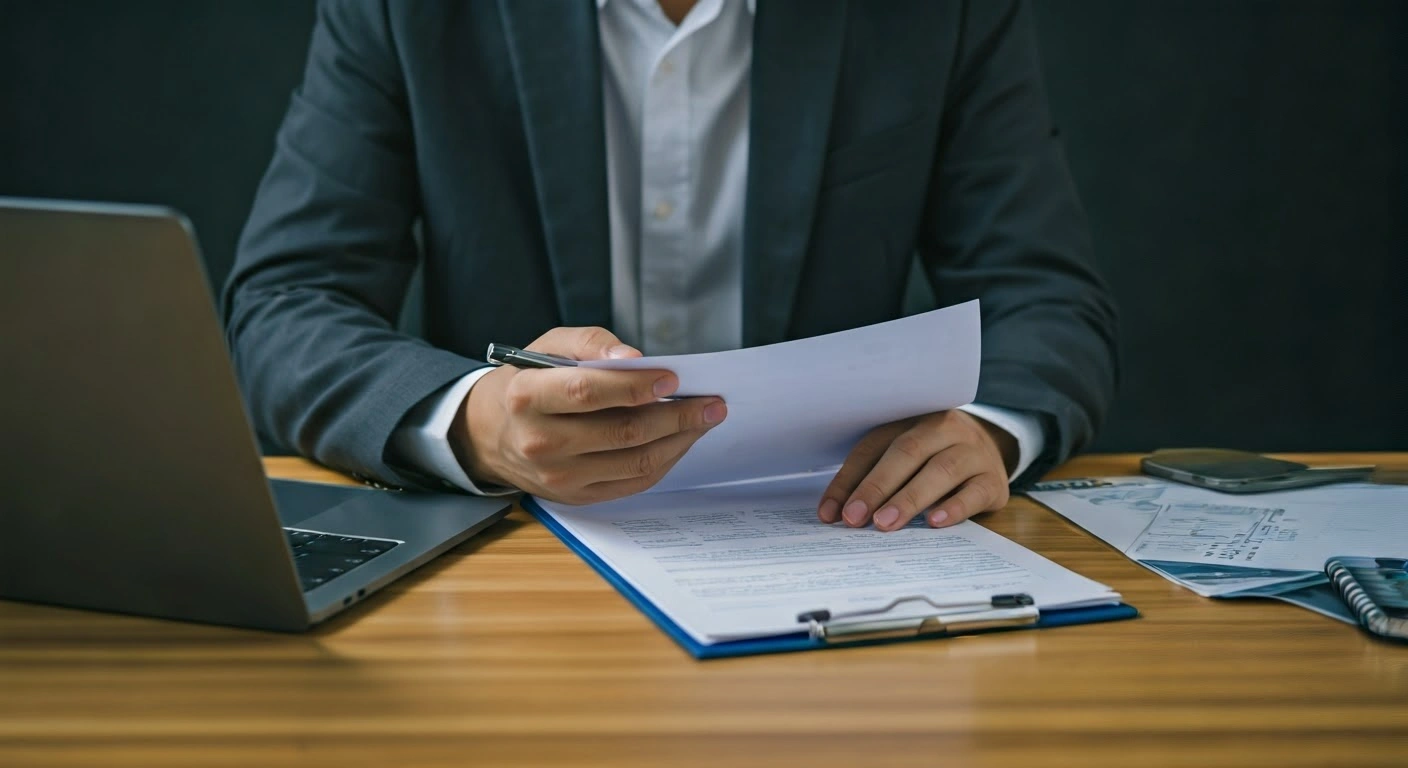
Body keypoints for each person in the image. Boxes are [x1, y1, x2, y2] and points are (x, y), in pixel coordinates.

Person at [224, 0, 1118, 533]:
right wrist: (474, 424)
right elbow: (289, 302)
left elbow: (1041, 293)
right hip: (516, 552)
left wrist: (991, 429)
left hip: (842, 532)